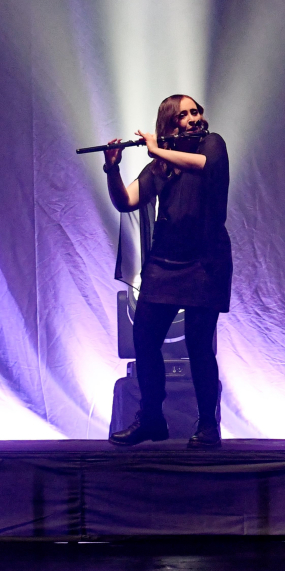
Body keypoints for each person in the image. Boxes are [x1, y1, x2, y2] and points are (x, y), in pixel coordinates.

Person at [103, 95, 231, 447]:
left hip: (205, 262)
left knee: (199, 345)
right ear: (170, 124)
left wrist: (156, 149)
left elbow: (202, 165)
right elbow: (126, 201)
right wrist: (112, 169)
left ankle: (208, 427)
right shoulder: (160, 167)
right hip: (164, 263)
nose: (193, 118)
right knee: (144, 340)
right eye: (183, 115)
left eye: (195, 111)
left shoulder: (212, 144)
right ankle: (152, 420)